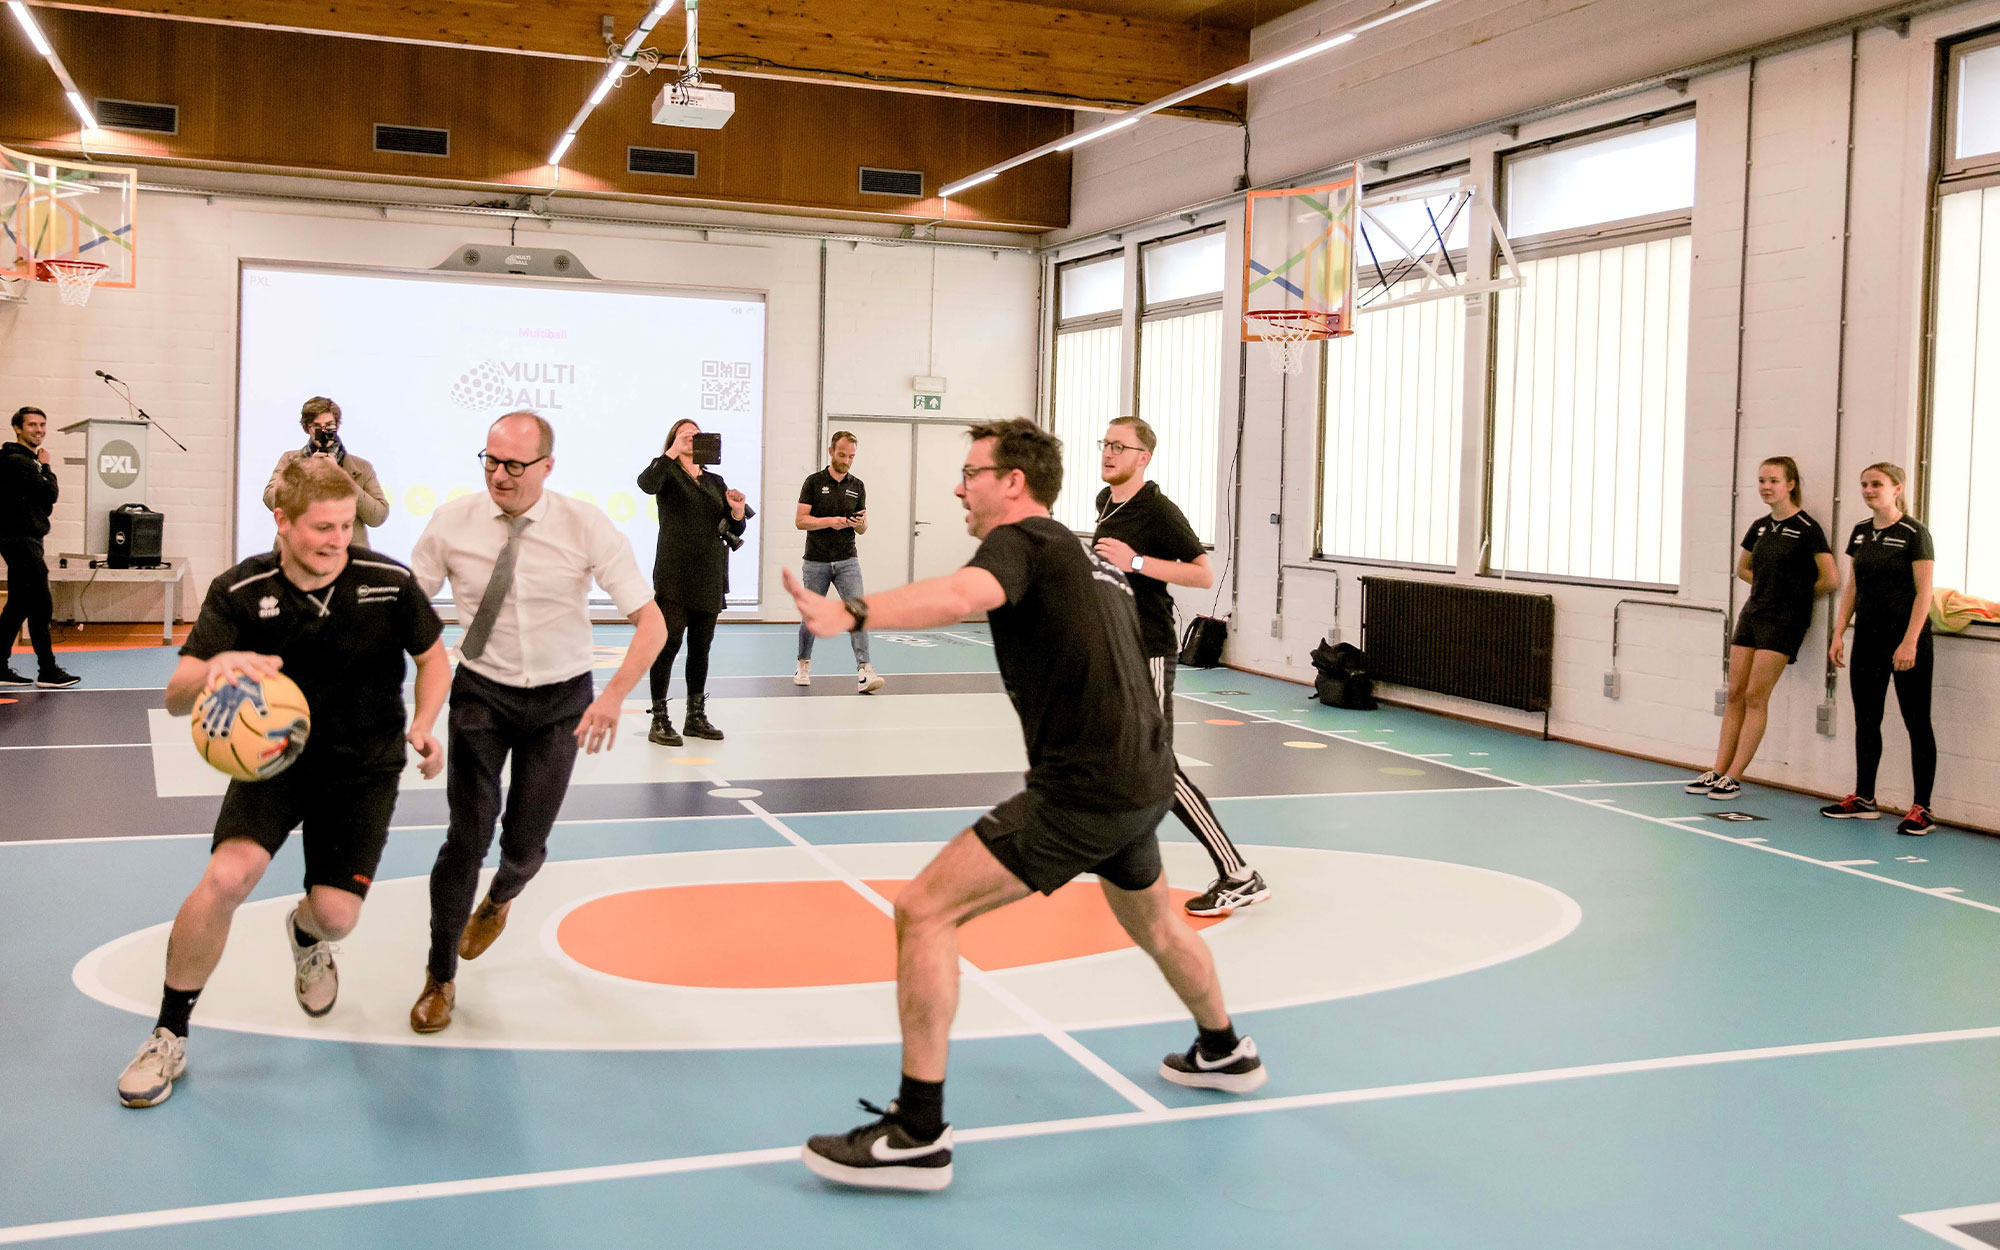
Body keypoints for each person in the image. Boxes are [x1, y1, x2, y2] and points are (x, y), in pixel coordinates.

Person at [788, 418, 1265, 1193]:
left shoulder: (1022, 541)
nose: (959, 486)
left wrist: (853, 613)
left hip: (1086, 789)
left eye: (971, 471)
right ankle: (1224, 1049)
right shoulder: (1080, 551)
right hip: (1143, 778)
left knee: (924, 911)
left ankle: (915, 1133)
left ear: (1013, 482)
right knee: (1154, 920)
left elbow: (960, 594)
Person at [116, 457, 449, 1108]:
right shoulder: (240, 590)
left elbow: (433, 658)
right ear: (283, 522)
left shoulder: (386, 581)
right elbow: (178, 695)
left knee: (336, 916)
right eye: (322, 527)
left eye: (346, 526)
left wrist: (427, 723)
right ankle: (168, 1033)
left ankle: (306, 936)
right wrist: (218, 665)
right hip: (273, 761)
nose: (336, 540)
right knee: (226, 878)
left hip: (363, 767)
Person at [407, 411, 666, 1033]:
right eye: (491, 460)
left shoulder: (584, 525)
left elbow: (651, 621)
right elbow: (406, 609)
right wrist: (421, 709)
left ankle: (500, 899)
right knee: (466, 838)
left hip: (561, 703)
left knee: (524, 847)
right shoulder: (452, 524)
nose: (499, 474)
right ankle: (439, 976)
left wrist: (613, 696)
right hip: (480, 696)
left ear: (547, 467)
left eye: (514, 465)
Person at [1092, 417, 1266, 916]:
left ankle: (1239, 874)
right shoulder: (1105, 503)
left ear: (1143, 457)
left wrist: (1138, 563)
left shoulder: (1158, 512)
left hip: (1147, 650)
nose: (1108, 453)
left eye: (1119, 446)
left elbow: (1201, 573)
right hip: (1114, 649)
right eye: (1104, 444)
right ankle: (1114, 855)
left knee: (1157, 766)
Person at [1686, 457, 1836, 801]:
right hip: (1753, 613)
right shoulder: (1759, 526)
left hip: (1784, 620)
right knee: (1735, 691)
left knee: (1756, 695)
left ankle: (1735, 776)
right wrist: (1769, 586)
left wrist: (1792, 595)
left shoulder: (1807, 529)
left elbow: (1830, 579)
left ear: (1791, 484)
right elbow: (1743, 568)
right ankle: (1718, 769)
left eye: (1773, 481)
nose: (1766, 487)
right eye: (1761, 481)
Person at [1822, 463, 1938, 835]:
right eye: (1864, 484)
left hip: (1906, 641)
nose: (1869, 490)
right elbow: (1853, 587)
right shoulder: (1860, 533)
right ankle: (1865, 799)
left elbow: (1925, 592)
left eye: (1877, 484)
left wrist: (1910, 641)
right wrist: (1839, 632)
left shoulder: (1915, 533)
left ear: (1897, 489)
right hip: (1868, 640)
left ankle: (1922, 808)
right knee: (1866, 720)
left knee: (1916, 722)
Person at [638, 419, 749, 744]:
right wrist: (672, 451)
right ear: (673, 439)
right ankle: (659, 719)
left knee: (701, 650)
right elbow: (646, 483)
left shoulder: (716, 481)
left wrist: (738, 511)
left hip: (710, 575)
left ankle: (695, 716)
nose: (691, 438)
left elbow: (733, 529)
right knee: (668, 646)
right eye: (684, 434)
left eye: (695, 434)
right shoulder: (667, 474)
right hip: (675, 577)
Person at [794, 430, 884, 693]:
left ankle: (865, 670)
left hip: (847, 560)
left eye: (852, 456)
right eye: (842, 454)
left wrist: (860, 523)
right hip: (816, 561)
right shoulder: (813, 482)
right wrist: (829, 522)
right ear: (831, 451)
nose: (846, 460)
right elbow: (800, 521)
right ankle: (803, 664)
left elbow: (863, 529)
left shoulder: (857, 486)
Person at [0, 405, 76, 688]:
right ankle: (48, 671)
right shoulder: (16, 461)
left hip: (27, 538)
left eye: (43, 425)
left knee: (18, 605)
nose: (39, 430)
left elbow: (43, 502)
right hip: (20, 540)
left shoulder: (24, 460)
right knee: (41, 603)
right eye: (32, 425)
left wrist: (42, 473)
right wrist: (46, 466)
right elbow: (49, 494)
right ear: (18, 429)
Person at [262, 397, 389, 550]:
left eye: (329, 425)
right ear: (307, 428)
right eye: (317, 426)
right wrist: (305, 471)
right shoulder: (290, 460)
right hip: (299, 550)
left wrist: (342, 477)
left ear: (337, 426)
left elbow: (378, 516)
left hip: (346, 553)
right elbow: (270, 498)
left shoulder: (361, 467)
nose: (324, 431)